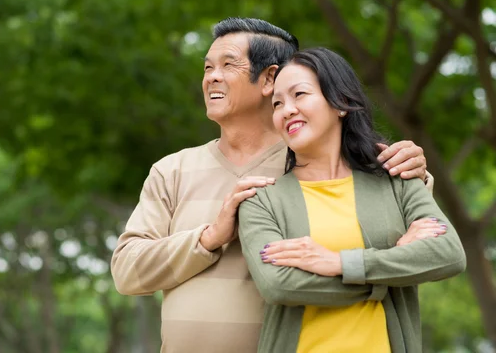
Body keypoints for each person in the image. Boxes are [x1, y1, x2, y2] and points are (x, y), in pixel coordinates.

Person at [111, 18, 435, 353]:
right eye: (207, 67)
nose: (211, 77)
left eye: (227, 65)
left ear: (270, 78)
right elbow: (126, 272)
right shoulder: (172, 171)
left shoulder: (318, 163)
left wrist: (416, 175)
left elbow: (410, 240)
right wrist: (208, 238)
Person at [238, 47, 466, 353]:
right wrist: (391, 271)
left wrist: (338, 262)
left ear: (340, 103)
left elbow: (449, 254)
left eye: (299, 94)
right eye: (277, 103)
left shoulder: (395, 179)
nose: (286, 110)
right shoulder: (261, 199)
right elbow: (278, 285)